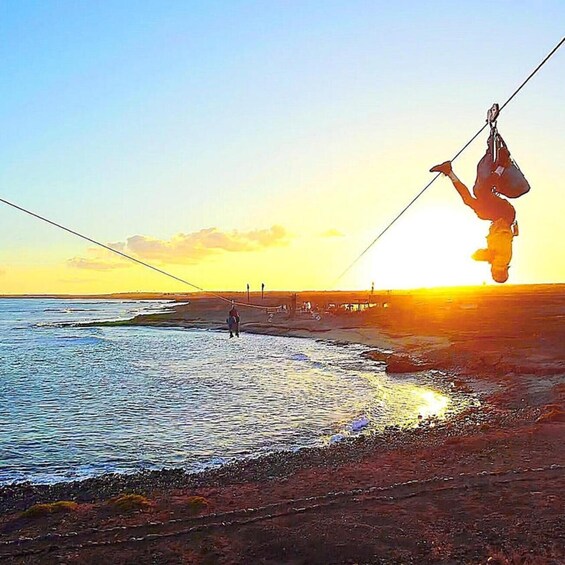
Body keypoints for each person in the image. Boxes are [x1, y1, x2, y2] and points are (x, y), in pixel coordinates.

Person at [430, 145, 519, 283]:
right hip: (504, 214)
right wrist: (479, 257)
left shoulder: (501, 261)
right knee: (481, 192)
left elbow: (488, 252)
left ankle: (449, 172)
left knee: (470, 201)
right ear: (498, 273)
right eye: (493, 274)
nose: (492, 272)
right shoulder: (500, 261)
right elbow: (479, 255)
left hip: (501, 216)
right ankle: (502, 163)